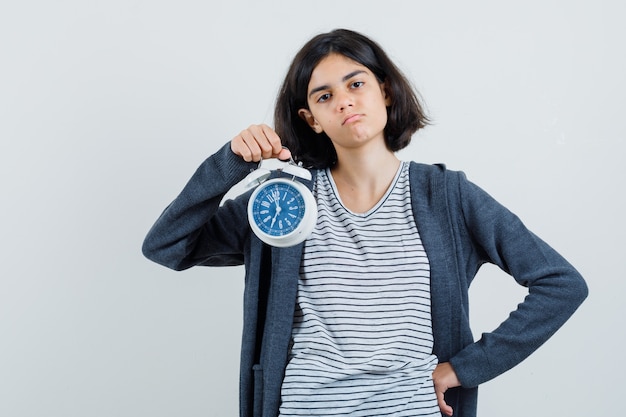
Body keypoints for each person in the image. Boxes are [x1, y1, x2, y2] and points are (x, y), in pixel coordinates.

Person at [142, 29, 588, 417]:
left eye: (356, 83)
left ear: (385, 92)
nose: (344, 101)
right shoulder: (282, 199)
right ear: (310, 120)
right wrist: (230, 164)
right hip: (305, 407)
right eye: (324, 96)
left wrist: (464, 368)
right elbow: (166, 246)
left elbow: (561, 284)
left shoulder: (447, 196)